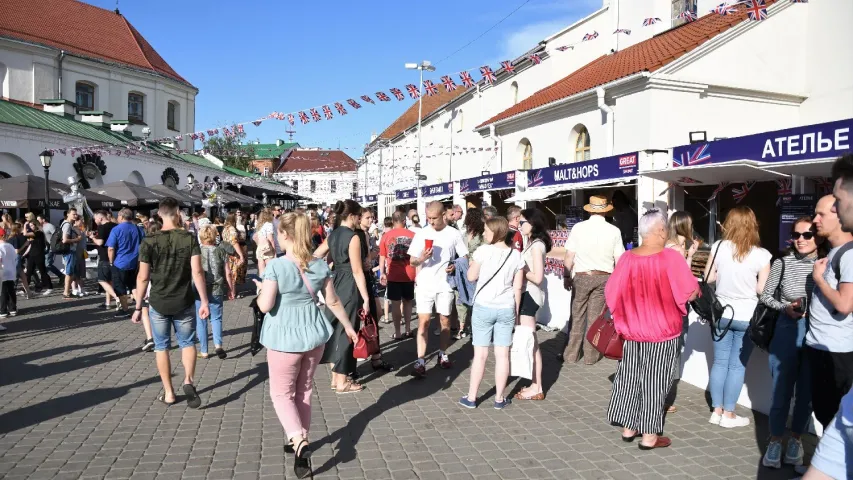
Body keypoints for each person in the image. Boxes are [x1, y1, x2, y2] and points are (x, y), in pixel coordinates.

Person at [254, 212, 359, 479]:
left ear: (285, 235)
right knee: (304, 391)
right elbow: (333, 301)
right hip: (313, 334)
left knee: (281, 394)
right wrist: (348, 326)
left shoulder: (276, 266)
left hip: (283, 337)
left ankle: (298, 440)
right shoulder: (320, 265)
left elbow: (265, 306)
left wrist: (259, 289)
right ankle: (299, 441)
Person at [605, 209, 699, 450]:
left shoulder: (627, 258)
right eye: (665, 227)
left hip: (632, 330)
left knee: (629, 377)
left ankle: (628, 427)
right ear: (659, 230)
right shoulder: (671, 258)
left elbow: (611, 294)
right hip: (662, 331)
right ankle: (649, 435)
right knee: (655, 381)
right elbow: (689, 291)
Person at [131, 197, 210, 408]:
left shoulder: (149, 241)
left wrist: (138, 306)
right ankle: (188, 380)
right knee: (187, 343)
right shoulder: (189, 238)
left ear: (159, 214)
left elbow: (142, 277)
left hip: (158, 302)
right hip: (183, 300)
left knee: (161, 347)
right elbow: (197, 272)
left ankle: (168, 392)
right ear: (177, 214)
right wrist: (204, 301)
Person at [759, 217, 819, 469]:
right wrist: (786, 307)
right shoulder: (782, 262)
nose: (800, 240)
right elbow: (765, 295)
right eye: (796, 235)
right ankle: (775, 441)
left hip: (816, 333)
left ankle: (795, 440)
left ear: (818, 237)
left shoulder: (825, 264)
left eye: (807, 235)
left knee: (806, 394)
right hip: (786, 328)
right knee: (780, 392)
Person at [705, 206, 771, 428]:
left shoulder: (719, 247)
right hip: (747, 316)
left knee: (720, 362)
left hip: (721, 313)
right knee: (736, 366)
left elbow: (708, 277)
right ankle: (729, 414)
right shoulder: (761, 255)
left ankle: (716, 411)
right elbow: (763, 289)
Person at [461, 217, 524, 409]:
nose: (484, 234)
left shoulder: (483, 251)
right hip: (506, 307)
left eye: (487, 230)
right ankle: (499, 399)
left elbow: (471, 277)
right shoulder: (516, 255)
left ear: (496, 232)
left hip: (483, 306)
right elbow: (518, 287)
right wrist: (516, 312)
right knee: (502, 355)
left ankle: (472, 397)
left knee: (480, 354)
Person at [807, 194, 853, 430]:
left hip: (835, 352)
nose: (815, 220)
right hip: (822, 348)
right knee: (826, 417)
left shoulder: (849, 254)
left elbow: (845, 304)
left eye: (821, 214)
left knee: (835, 422)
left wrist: (818, 280)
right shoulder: (836, 252)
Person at [407, 201, 470, 377]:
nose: (431, 222)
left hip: (445, 284)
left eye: (434, 218)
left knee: (445, 321)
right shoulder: (422, 233)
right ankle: (420, 361)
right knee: (424, 322)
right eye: (428, 218)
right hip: (425, 284)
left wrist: (455, 266)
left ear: (444, 215)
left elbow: (464, 257)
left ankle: (443, 353)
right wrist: (421, 258)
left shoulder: (453, 234)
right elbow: (411, 261)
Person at [562, 195, 625, 365]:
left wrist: (566, 276)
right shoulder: (614, 230)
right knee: (595, 317)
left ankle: (571, 355)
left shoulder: (578, 228)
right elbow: (619, 259)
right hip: (604, 277)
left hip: (582, 276)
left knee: (577, 316)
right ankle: (590, 356)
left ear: (590, 209)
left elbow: (569, 255)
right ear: (605, 211)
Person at [316, 200, 369, 392]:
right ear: (353, 216)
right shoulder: (353, 237)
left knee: (334, 327)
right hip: (349, 284)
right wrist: (367, 297)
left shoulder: (334, 234)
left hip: (335, 280)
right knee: (348, 331)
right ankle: (342, 381)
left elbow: (315, 255)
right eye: (359, 216)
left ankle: (335, 378)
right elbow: (357, 270)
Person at [663, 211, 699, 413]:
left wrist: (690, 254)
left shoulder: (667, 246)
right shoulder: (676, 249)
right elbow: (684, 278)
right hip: (677, 306)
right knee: (674, 351)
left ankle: (661, 395)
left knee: (669, 350)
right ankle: (665, 397)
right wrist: (689, 257)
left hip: (667, 304)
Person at [514, 208, 552, 400]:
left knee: (532, 342)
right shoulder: (531, 243)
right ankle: (535, 383)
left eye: (522, 222)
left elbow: (538, 277)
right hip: (528, 294)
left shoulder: (537, 245)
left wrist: (520, 270)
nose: (520, 225)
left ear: (532, 223)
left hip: (531, 294)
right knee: (531, 341)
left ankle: (537, 386)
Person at [379, 211, 416, 339]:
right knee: (408, 302)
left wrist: (382, 273)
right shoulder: (413, 235)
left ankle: (397, 332)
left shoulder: (386, 236)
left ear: (393, 221)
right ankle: (408, 329)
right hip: (410, 273)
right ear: (404, 220)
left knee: (395, 303)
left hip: (393, 274)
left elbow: (382, 257)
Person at [196, 225, 231, 360]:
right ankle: (218, 345)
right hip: (217, 287)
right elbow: (228, 272)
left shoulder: (197, 251)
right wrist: (231, 288)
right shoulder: (221, 251)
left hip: (200, 289)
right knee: (216, 318)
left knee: (202, 319)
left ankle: (204, 350)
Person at [107, 208, 144, 318]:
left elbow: (111, 248)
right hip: (135, 262)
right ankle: (140, 307)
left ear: (122, 217)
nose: (117, 218)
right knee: (134, 285)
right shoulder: (138, 229)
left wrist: (111, 262)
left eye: (118, 216)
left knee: (120, 287)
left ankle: (125, 309)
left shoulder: (116, 229)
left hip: (120, 263)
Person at [455, 208, 485, 338]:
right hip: (463, 268)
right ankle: (461, 327)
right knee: (461, 297)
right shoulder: (464, 233)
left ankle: (474, 327)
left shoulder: (482, 235)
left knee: (474, 298)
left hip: (476, 268)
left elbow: (485, 251)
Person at [89, 211, 117, 310]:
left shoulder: (102, 227)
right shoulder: (115, 225)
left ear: (100, 218)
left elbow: (100, 242)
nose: (95, 221)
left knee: (101, 280)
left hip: (105, 256)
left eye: (95, 219)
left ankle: (117, 298)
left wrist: (92, 238)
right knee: (109, 281)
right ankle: (108, 303)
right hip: (115, 255)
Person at [221, 213, 247, 300]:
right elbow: (234, 242)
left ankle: (231, 291)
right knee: (234, 273)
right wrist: (241, 255)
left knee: (230, 272)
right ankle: (233, 293)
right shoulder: (232, 229)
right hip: (233, 254)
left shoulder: (225, 228)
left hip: (227, 252)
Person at [60, 209, 82, 300]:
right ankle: (66, 292)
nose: (75, 216)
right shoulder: (67, 225)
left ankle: (67, 291)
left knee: (70, 272)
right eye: (73, 214)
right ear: (68, 214)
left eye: (76, 214)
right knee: (69, 272)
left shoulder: (69, 225)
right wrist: (77, 240)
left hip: (69, 251)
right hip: (69, 251)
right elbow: (64, 240)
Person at [24, 221, 51, 295]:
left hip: (39, 254)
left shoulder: (39, 233)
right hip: (32, 254)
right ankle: (25, 288)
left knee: (43, 271)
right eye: (30, 226)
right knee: (29, 271)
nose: (31, 227)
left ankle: (49, 287)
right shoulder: (32, 234)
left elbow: (25, 234)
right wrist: (25, 253)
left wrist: (25, 225)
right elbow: (30, 245)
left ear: (36, 225)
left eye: (32, 225)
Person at [7, 224, 31, 299]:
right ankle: (11, 295)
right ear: (18, 229)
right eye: (20, 228)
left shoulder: (9, 238)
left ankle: (29, 293)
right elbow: (17, 251)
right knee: (16, 276)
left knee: (23, 276)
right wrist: (25, 244)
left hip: (11, 257)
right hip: (16, 257)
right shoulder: (16, 238)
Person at [38, 214, 64, 282]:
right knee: (46, 264)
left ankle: (43, 279)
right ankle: (60, 276)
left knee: (48, 264)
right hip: (45, 248)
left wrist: (55, 244)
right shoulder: (41, 227)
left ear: (43, 220)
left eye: (38, 219)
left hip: (51, 248)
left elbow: (56, 235)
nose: (37, 221)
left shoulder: (49, 226)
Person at [0, 228, 18, 323]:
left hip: (2, 271)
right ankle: (13, 309)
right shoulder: (10, 246)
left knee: (3, 291)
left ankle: (3, 310)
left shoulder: (0, 246)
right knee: (11, 290)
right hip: (11, 271)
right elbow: (15, 257)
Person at [255, 209, 276, 278]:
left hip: (260, 248)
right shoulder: (269, 224)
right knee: (270, 270)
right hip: (267, 248)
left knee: (261, 270)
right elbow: (271, 239)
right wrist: (274, 252)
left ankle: (262, 286)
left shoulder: (259, 225)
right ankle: (268, 286)